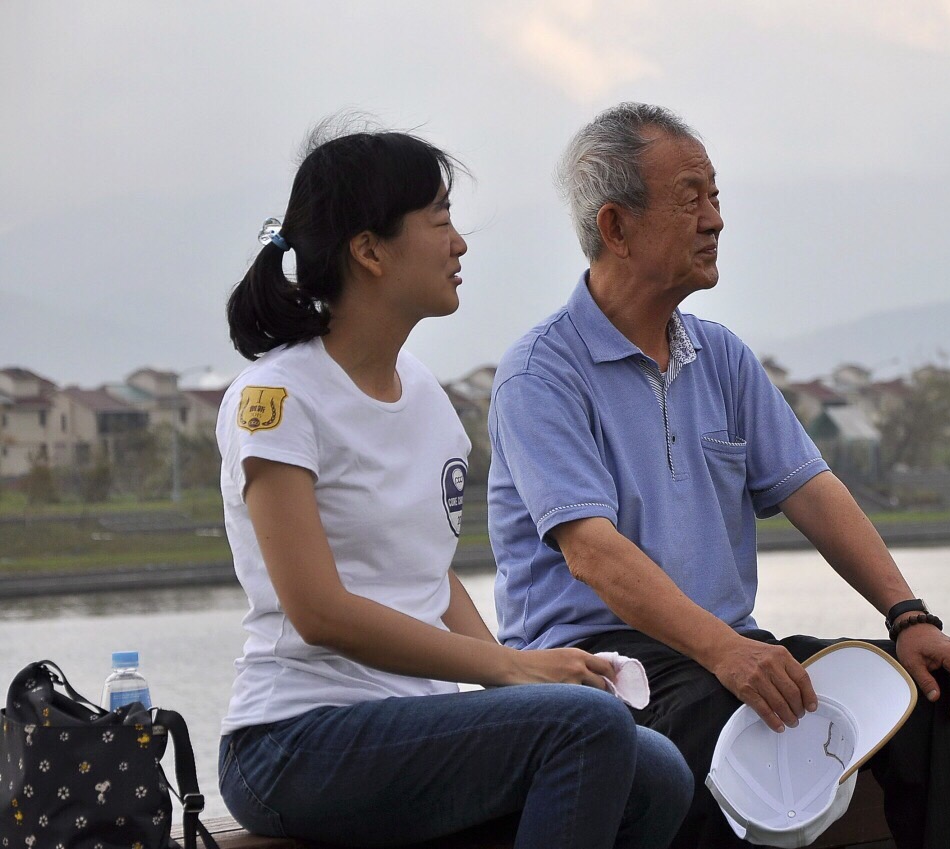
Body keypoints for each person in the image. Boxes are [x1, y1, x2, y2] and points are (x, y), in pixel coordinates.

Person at [487, 103, 950, 849]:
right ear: (616, 227)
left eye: (716, 196)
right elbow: (591, 553)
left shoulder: (720, 356)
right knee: (731, 719)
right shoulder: (541, 372)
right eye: (690, 197)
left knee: (924, 694)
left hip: (727, 651)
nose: (715, 220)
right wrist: (726, 652)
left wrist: (909, 617)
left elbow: (814, 491)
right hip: (602, 671)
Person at [215, 125, 692, 849]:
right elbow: (318, 612)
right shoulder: (278, 397)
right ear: (369, 250)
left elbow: (429, 581)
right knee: (585, 728)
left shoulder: (428, 400)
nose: (459, 243)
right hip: (293, 738)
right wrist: (513, 665)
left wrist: (522, 682)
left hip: (408, 723)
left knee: (658, 770)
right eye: (439, 220)